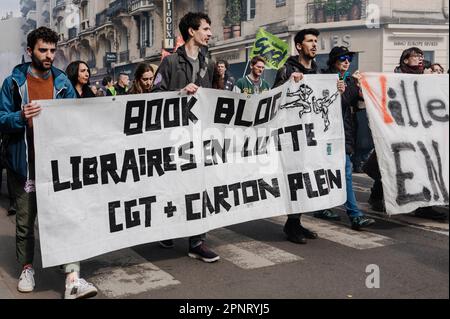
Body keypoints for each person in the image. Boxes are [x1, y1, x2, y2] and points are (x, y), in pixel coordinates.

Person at [0, 27, 98, 299]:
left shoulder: (63, 84)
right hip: (24, 164)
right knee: (25, 222)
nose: (49, 55)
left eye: (53, 50)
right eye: (43, 50)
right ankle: (27, 268)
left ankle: (72, 278)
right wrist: (20, 117)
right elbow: (0, 118)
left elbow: (74, 122)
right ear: (29, 51)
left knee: (66, 218)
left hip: (57, 166)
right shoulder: (13, 82)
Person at [152, 12, 219, 263]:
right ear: (191, 31)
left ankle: (197, 241)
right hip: (173, 137)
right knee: (172, 187)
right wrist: (180, 93)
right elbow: (153, 97)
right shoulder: (170, 63)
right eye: (205, 28)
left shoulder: (209, 62)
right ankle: (168, 228)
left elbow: (212, 97)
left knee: (198, 187)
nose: (210, 33)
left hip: (199, 136)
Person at [272, 28, 346, 244]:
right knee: (294, 177)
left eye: (316, 41)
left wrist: (338, 90)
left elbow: (326, 102)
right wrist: (288, 83)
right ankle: (291, 224)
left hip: (312, 137)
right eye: (310, 41)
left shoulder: (320, 73)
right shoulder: (286, 69)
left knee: (305, 178)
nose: (314, 44)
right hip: (291, 137)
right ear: (298, 46)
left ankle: (296, 222)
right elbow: (273, 98)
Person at [365, 47, 447, 221]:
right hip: (397, 129)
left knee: (423, 164)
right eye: (415, 56)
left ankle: (425, 204)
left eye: (421, 56)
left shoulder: (426, 79)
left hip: (420, 130)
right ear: (405, 60)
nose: (420, 58)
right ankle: (376, 195)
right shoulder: (394, 78)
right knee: (393, 163)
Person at [313, 46, 375, 230]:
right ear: (333, 61)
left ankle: (326, 208)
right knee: (333, 173)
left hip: (344, 135)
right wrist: (347, 90)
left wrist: (363, 90)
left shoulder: (349, 80)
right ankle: (354, 215)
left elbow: (360, 104)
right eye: (342, 58)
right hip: (325, 136)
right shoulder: (322, 79)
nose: (347, 61)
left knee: (343, 173)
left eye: (349, 58)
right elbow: (334, 103)